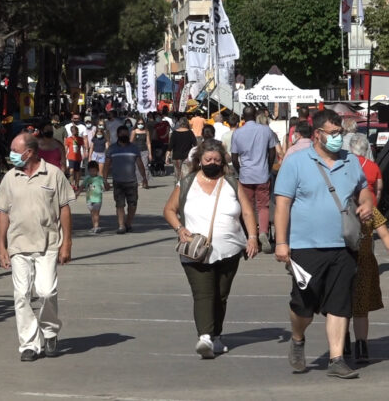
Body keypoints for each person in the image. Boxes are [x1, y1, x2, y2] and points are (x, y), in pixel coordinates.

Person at [274, 109, 374, 379]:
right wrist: (281, 242)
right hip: (305, 246)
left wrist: (366, 202)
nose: (338, 138)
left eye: (339, 133)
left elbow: (364, 188)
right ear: (317, 135)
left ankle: (337, 359)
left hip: (344, 246)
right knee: (303, 306)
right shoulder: (296, 162)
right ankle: (297, 337)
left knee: (340, 304)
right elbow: (282, 204)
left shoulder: (351, 161)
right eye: (332, 133)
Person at [163, 139, 260, 358]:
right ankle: (205, 336)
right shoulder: (187, 182)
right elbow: (169, 209)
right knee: (203, 293)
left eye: (217, 159)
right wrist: (179, 228)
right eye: (208, 159)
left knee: (221, 295)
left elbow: (247, 211)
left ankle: (216, 335)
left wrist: (252, 237)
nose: (212, 163)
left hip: (230, 249)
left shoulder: (232, 183)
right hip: (194, 250)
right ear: (199, 160)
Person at [0, 133, 74, 362]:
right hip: (19, 245)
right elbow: (2, 212)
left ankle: (49, 332)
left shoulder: (53, 174)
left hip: (48, 244)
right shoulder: (10, 177)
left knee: (46, 291)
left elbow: (65, 209)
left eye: (14, 150)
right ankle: (29, 344)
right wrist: (2, 246)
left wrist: (66, 243)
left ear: (28, 153)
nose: (11, 155)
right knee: (21, 295)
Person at [347, 133, 389, 362]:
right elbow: (385, 234)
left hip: (347, 261)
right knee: (359, 308)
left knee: (344, 306)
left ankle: (349, 342)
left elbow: (384, 233)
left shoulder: (345, 211)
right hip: (362, 261)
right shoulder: (370, 211)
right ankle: (361, 345)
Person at [231, 106, 276, 254]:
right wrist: (268, 168)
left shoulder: (237, 133)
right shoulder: (266, 130)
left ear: (242, 117)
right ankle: (263, 231)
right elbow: (272, 153)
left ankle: (250, 235)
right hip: (262, 174)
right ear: (256, 116)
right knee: (263, 206)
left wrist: (240, 171)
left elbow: (234, 157)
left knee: (247, 207)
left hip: (246, 175)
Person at [104, 125, 147, 234]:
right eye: (122, 133)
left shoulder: (134, 148)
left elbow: (140, 163)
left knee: (133, 204)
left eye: (126, 133)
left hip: (132, 182)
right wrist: (104, 180)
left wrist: (144, 177)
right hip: (118, 182)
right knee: (120, 204)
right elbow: (107, 164)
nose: (124, 135)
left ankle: (128, 223)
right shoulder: (112, 149)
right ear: (118, 135)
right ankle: (121, 225)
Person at [81, 160, 105, 234]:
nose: (92, 172)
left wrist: (105, 186)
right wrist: (77, 193)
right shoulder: (87, 178)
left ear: (97, 170)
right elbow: (82, 186)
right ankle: (94, 226)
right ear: (88, 171)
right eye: (91, 171)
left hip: (97, 199)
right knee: (92, 213)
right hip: (89, 199)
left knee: (96, 213)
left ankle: (96, 226)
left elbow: (104, 186)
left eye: (94, 171)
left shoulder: (100, 178)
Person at [132, 116, 152, 186]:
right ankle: (139, 181)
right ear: (137, 124)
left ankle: (145, 180)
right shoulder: (134, 131)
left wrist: (150, 154)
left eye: (142, 123)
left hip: (144, 151)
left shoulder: (146, 131)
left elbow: (148, 143)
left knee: (145, 166)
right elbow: (131, 142)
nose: (140, 125)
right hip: (136, 152)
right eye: (139, 123)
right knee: (137, 167)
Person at [65, 125, 83, 190]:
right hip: (71, 157)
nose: (73, 131)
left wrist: (85, 153)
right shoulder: (68, 139)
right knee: (71, 170)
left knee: (77, 171)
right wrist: (65, 155)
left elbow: (83, 146)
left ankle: (77, 184)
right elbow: (66, 148)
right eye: (72, 130)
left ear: (77, 131)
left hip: (78, 157)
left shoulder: (80, 139)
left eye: (74, 130)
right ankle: (72, 184)